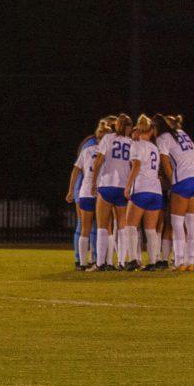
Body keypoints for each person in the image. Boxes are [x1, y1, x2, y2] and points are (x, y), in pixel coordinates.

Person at [155, 113, 194, 272]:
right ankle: (191, 261)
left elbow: (165, 163)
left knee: (177, 222)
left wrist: (173, 183)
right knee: (191, 222)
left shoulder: (162, 139)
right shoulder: (182, 133)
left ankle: (179, 262)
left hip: (184, 179)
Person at [87, 114, 132, 271]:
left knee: (102, 226)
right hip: (122, 186)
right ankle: (121, 262)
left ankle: (100, 263)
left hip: (107, 184)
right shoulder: (131, 142)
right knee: (122, 226)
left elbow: (99, 160)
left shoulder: (108, 138)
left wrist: (93, 181)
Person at [121, 115, 164, 271]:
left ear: (138, 129)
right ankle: (152, 262)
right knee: (151, 229)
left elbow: (137, 165)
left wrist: (127, 186)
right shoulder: (155, 148)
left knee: (130, 226)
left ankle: (132, 260)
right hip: (156, 191)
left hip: (141, 188)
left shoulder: (137, 145)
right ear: (151, 131)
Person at [66, 120, 108, 270]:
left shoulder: (87, 149)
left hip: (85, 191)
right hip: (100, 191)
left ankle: (81, 263)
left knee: (84, 227)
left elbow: (76, 170)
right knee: (102, 227)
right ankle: (100, 261)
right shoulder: (106, 151)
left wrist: (71, 190)